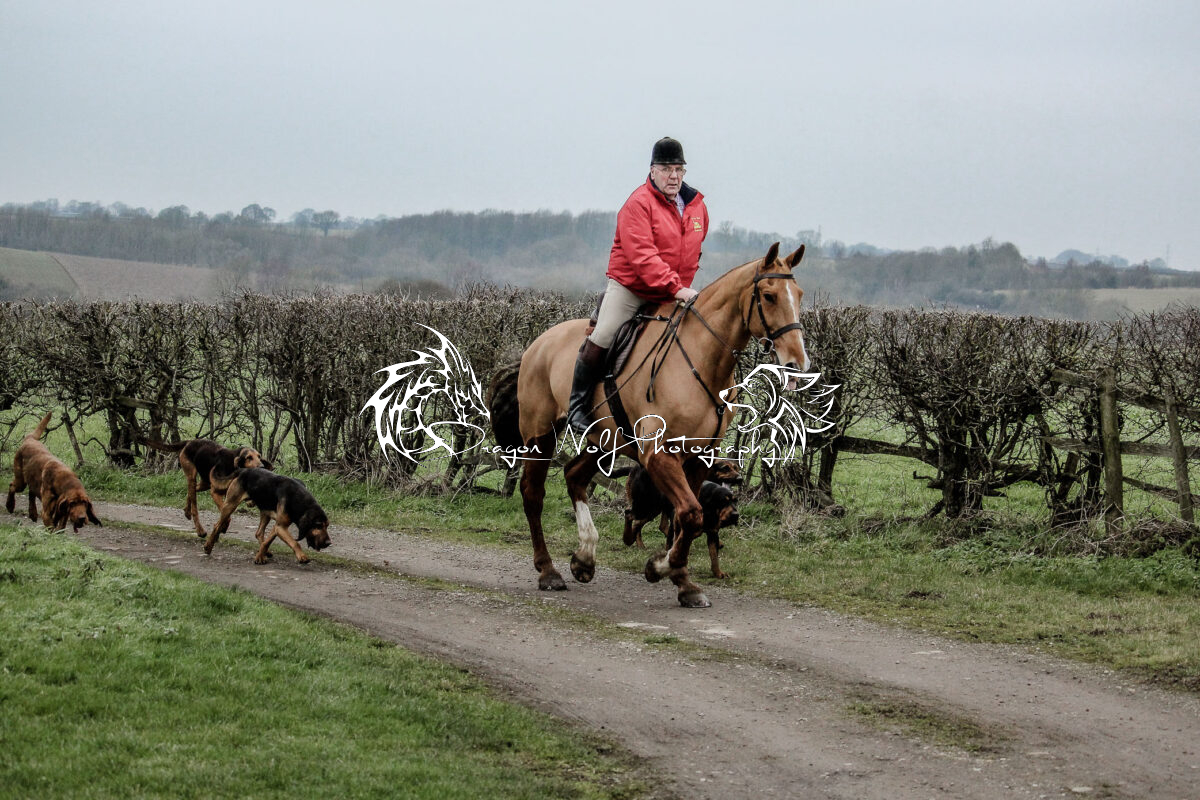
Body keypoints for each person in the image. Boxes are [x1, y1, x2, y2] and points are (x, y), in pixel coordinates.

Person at [566, 136, 710, 436]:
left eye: (679, 169)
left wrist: (680, 287)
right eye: (666, 169)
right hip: (632, 288)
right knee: (604, 334)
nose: (673, 176)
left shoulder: (697, 208)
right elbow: (643, 258)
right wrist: (677, 288)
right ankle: (577, 406)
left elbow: (693, 251)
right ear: (653, 171)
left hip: (673, 291)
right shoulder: (637, 204)